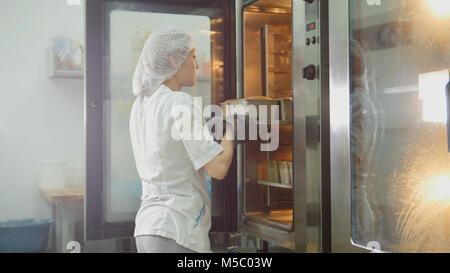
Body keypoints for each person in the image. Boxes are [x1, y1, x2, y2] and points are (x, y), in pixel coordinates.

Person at [129, 28, 234, 253]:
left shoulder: (141, 105)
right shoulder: (180, 102)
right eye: (193, 56)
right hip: (178, 229)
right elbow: (218, 168)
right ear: (174, 59)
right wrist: (233, 130)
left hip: (147, 229)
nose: (196, 64)